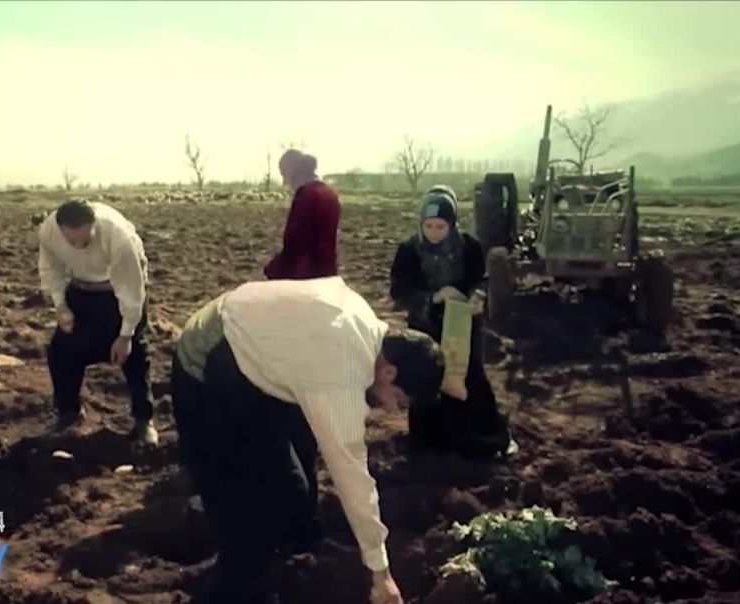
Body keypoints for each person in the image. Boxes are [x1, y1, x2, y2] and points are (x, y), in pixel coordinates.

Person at [171, 276, 449, 604]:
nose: (391, 409)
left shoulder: (366, 328)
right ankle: (228, 587)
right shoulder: (341, 370)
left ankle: (303, 541)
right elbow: (352, 475)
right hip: (207, 361)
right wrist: (381, 572)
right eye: (398, 400)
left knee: (300, 460)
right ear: (389, 373)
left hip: (257, 348)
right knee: (254, 513)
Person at [389, 186, 514, 459]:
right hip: (426, 326)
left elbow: (481, 280)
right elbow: (399, 292)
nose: (434, 232)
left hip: (463, 323)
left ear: (452, 224)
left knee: (468, 374)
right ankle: (429, 443)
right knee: (428, 378)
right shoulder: (409, 251)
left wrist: (478, 297)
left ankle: (479, 439)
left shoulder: (469, 247)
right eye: (429, 225)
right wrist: (433, 297)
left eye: (440, 226)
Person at [38, 199, 158, 444]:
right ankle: (68, 412)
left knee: (134, 353)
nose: (78, 245)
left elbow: (131, 291)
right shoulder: (49, 232)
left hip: (119, 286)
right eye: (71, 241)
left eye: (85, 239)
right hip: (81, 286)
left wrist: (125, 336)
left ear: (93, 224)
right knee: (61, 351)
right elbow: (52, 269)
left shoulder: (118, 236)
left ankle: (144, 421)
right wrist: (61, 306)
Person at [263, 149, 341, 280]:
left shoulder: (306, 196)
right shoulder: (330, 194)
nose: (284, 182)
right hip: (327, 273)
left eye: (284, 175)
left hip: (305, 275)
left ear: (292, 172)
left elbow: (294, 243)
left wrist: (272, 270)